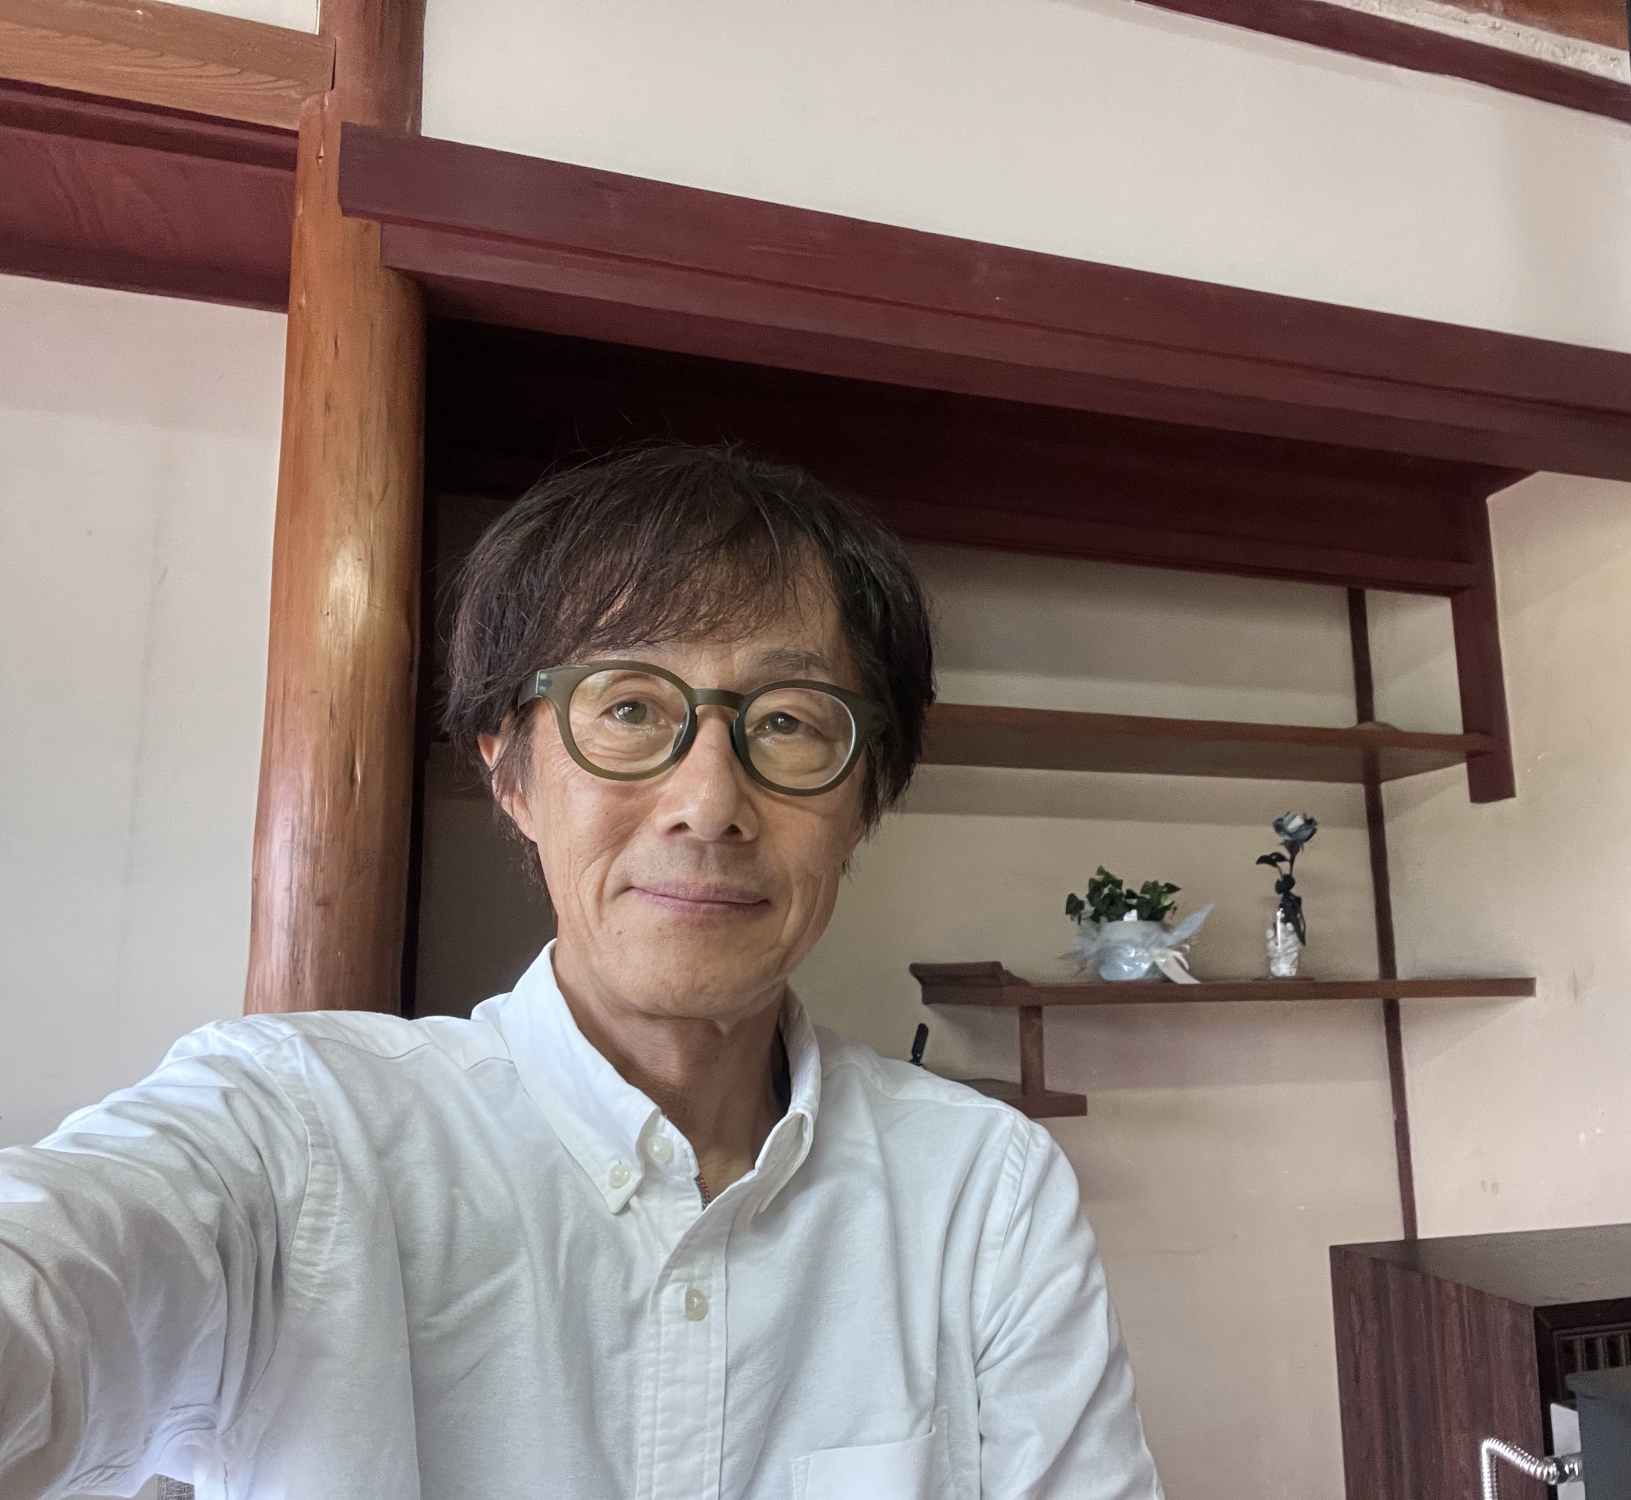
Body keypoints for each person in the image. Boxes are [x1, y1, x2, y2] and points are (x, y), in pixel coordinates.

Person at [0, 445, 1162, 1499]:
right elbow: (59, 1275)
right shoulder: (295, 1130)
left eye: (788, 723)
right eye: (630, 707)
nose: (708, 803)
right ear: (510, 775)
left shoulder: (981, 1189)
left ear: (863, 801)